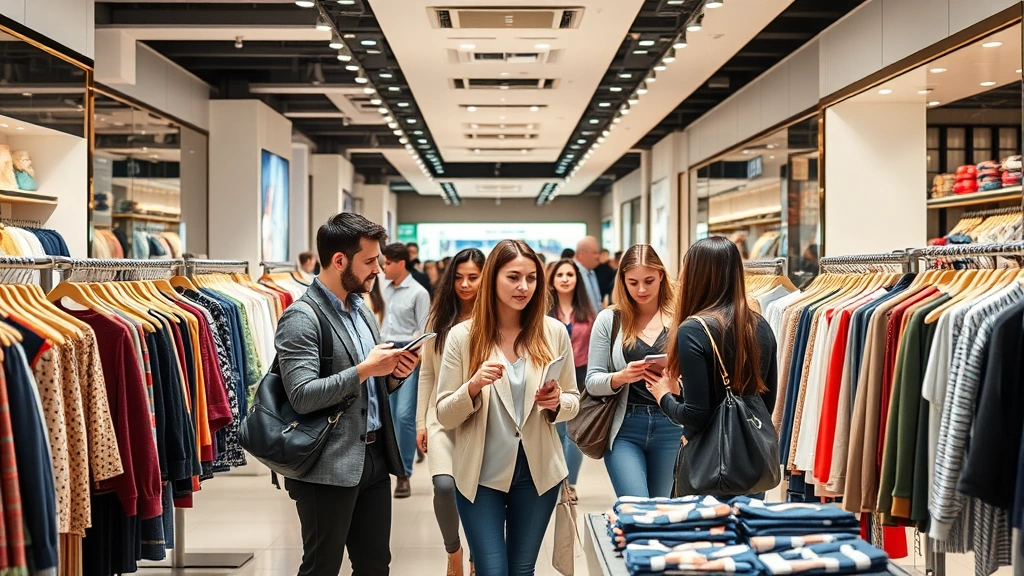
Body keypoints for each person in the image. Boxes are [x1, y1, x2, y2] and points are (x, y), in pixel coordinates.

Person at [275, 212, 421, 576]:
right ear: (339, 260)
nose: (379, 269)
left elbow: (366, 386)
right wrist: (366, 369)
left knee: (375, 565)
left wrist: (391, 376)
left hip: (372, 458)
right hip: (324, 464)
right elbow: (303, 395)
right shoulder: (302, 317)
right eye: (370, 261)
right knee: (322, 565)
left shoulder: (361, 310)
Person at [436, 239, 580, 576]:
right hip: (480, 474)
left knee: (521, 569)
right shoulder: (463, 336)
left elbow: (575, 400)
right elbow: (444, 413)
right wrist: (471, 387)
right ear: (493, 278)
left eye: (531, 278)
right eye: (513, 277)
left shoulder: (553, 332)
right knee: (492, 569)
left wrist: (557, 402)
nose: (524, 287)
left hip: (537, 473)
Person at [647, 237, 778, 496]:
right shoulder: (759, 324)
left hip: (709, 471)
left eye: (686, 269)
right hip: (751, 468)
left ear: (697, 275)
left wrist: (664, 395)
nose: (680, 277)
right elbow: (765, 403)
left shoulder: (694, 330)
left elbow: (696, 416)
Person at [585, 244, 680, 498]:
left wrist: (675, 383)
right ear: (622, 281)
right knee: (635, 507)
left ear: (661, 275)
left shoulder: (682, 317)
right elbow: (592, 381)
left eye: (648, 280)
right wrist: (621, 377)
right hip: (625, 427)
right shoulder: (610, 319)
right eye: (633, 282)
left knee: (661, 513)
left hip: (671, 425)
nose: (641, 289)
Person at [416, 248, 485, 576]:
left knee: (478, 491)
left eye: (473, 277)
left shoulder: (495, 318)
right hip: (441, 415)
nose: (465, 284)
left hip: (482, 417)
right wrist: (420, 422)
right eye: (458, 277)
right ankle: (453, 550)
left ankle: (477, 555)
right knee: (444, 486)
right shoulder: (438, 317)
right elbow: (426, 372)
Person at [381, 242, 432, 498]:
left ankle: (404, 474)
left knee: (404, 415)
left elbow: (424, 330)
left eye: (387, 263)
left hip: (409, 355)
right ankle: (390, 469)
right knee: (388, 416)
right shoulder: (383, 289)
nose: (383, 267)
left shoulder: (418, 292)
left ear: (400, 263)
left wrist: (419, 358)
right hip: (384, 354)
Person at [546, 259, 596, 496]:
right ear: (552, 281)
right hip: (551, 376)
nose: (565, 278)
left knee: (575, 432)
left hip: (582, 374)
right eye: (560, 275)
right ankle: (555, 481)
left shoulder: (588, 313)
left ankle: (569, 484)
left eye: (570, 274)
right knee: (556, 431)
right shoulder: (544, 313)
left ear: (577, 279)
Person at [574, 236, 603, 314]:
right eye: (595, 253)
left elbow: (597, 302)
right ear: (581, 254)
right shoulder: (573, 274)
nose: (598, 256)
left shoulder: (591, 272)